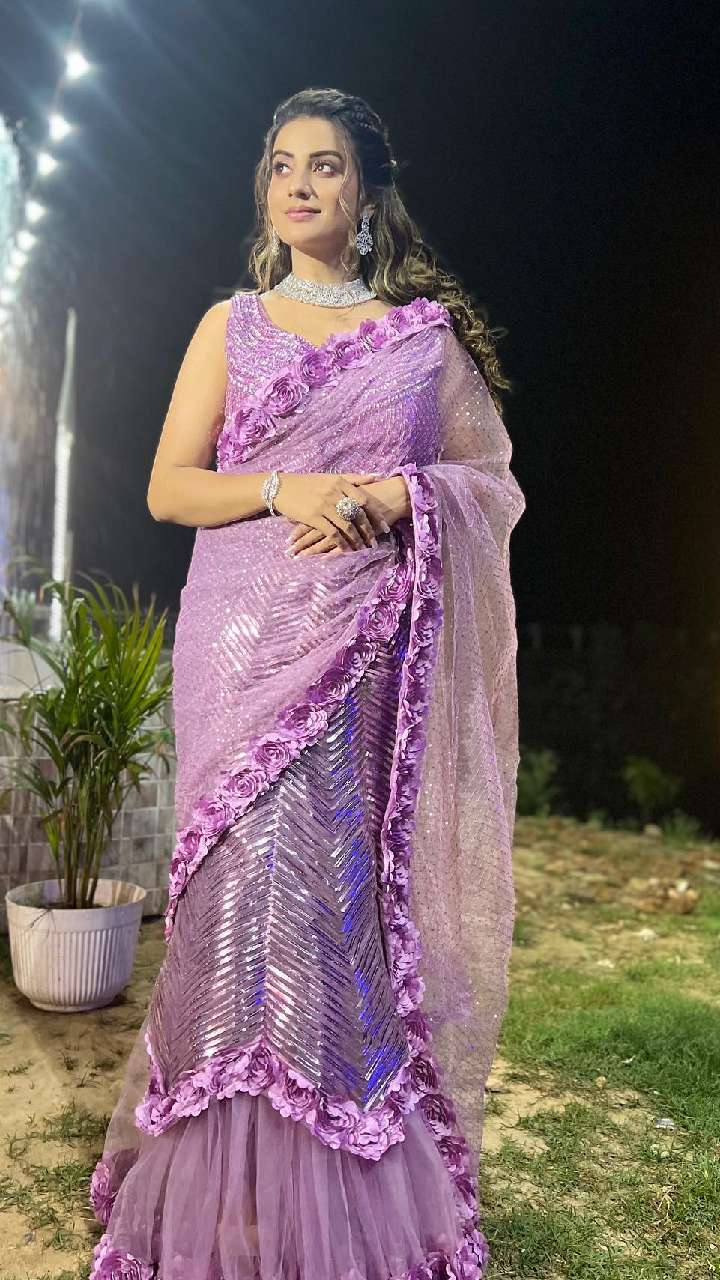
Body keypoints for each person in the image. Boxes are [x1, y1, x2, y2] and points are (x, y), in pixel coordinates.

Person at [87, 87, 526, 1280]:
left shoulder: (418, 340)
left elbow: (489, 482)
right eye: (283, 164)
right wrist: (290, 487)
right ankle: (218, 1203)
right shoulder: (232, 325)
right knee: (231, 918)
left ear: (366, 190)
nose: (299, 184)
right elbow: (171, 487)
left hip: (355, 660)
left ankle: (331, 1197)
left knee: (331, 919)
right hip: (237, 652)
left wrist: (393, 494)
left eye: (326, 165)